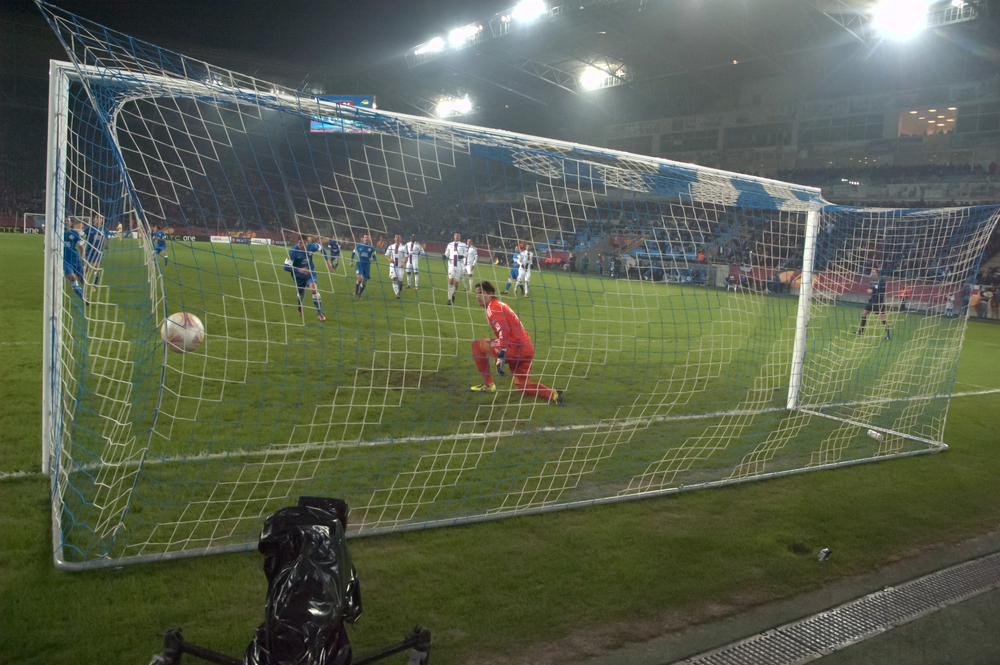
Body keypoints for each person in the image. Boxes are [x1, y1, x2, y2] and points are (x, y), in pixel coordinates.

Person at [469, 280, 564, 405]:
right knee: (522, 387)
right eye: (476, 293)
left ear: (490, 293)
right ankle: (554, 394)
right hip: (526, 350)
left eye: (481, 293)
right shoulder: (498, 305)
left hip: (513, 348)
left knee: (477, 345)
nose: (477, 296)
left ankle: (488, 385)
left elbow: (503, 331)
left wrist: (501, 356)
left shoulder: (493, 307)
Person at [283, 234, 329, 321]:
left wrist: (327, 261)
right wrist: (299, 270)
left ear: (307, 242)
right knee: (301, 293)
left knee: (314, 290)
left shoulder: (312, 246)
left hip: (309, 272)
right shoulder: (293, 251)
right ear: (297, 243)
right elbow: (285, 267)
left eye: (304, 243)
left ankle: (319, 314)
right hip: (298, 276)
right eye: (300, 243)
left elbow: (322, 249)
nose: (302, 245)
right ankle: (299, 304)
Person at [853, 268, 891, 340]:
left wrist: (872, 290)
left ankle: (888, 335)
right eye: (872, 272)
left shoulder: (881, 281)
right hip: (872, 301)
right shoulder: (872, 281)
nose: (872, 273)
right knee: (864, 313)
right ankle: (860, 332)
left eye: (874, 272)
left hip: (879, 302)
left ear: (877, 273)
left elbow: (881, 292)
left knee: (882, 318)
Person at [63, 218, 86, 302]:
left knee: (83, 279)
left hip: (75, 259)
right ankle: (81, 294)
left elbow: (81, 247)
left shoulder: (75, 233)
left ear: (71, 223)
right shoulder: (57, 234)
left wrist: (83, 259)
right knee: (72, 277)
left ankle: (83, 293)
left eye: (68, 221)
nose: (66, 222)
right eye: (65, 220)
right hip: (65, 261)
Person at [350, 234, 376, 299]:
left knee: (364, 282)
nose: (366, 238)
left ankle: (359, 294)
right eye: (365, 237)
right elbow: (353, 252)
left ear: (369, 239)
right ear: (363, 238)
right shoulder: (359, 245)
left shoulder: (372, 248)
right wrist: (351, 261)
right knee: (359, 279)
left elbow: (375, 257)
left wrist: (372, 259)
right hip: (359, 264)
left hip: (367, 266)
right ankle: (356, 290)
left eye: (367, 237)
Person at [444, 232, 467, 305]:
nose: (456, 236)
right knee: (451, 281)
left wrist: (462, 256)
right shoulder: (450, 244)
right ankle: (449, 299)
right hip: (451, 265)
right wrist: (445, 256)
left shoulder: (463, 245)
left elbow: (466, 253)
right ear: (454, 236)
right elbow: (447, 253)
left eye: (458, 235)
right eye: (455, 235)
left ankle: (453, 294)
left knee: (456, 284)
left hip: (459, 265)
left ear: (460, 237)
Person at [84, 213, 107, 285]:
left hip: (98, 251)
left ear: (102, 220)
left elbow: (108, 237)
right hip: (89, 251)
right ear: (94, 219)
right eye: (97, 217)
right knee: (86, 268)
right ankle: (83, 280)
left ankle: (95, 283)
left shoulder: (104, 229)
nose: (99, 219)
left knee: (96, 266)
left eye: (101, 218)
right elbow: (82, 234)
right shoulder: (89, 228)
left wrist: (107, 245)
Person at [384, 234, 406, 299]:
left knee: (400, 281)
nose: (397, 238)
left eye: (399, 237)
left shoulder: (403, 247)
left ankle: (398, 291)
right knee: (394, 278)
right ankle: (396, 294)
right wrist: (389, 259)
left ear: (401, 239)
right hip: (393, 266)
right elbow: (386, 255)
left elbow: (407, 257)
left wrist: (404, 263)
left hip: (400, 267)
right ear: (394, 238)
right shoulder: (391, 246)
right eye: (396, 237)